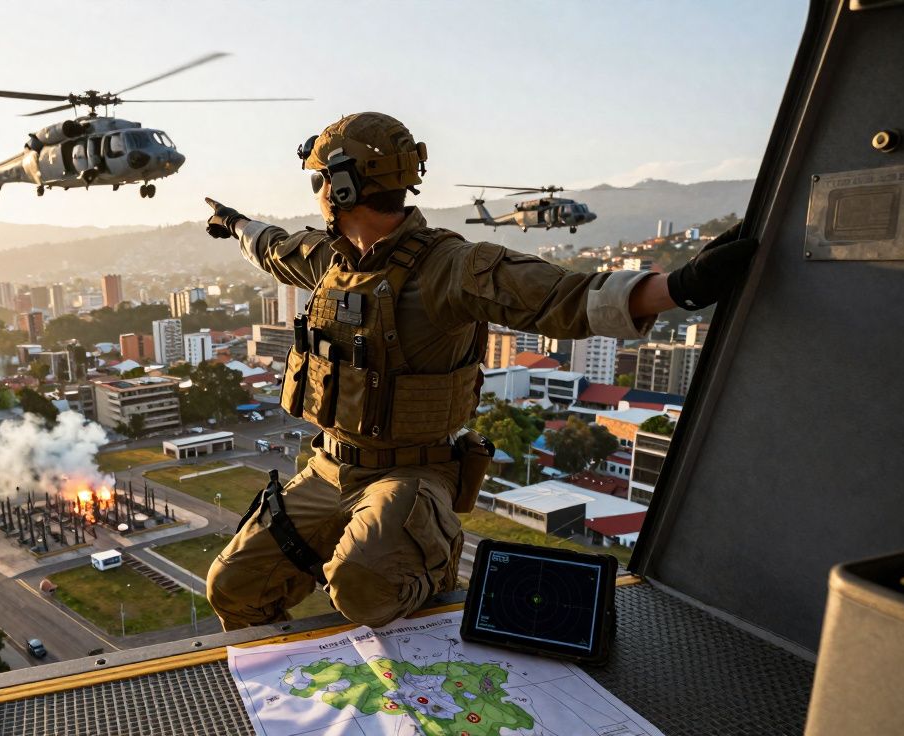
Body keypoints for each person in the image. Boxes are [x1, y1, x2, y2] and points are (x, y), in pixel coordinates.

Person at [202, 112, 756, 631]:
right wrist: (233, 223)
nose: (318, 193)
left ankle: (432, 563)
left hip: (412, 474)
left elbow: (562, 298)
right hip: (329, 468)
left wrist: (680, 289)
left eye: (320, 180)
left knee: (363, 588)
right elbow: (272, 246)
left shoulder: (452, 266)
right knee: (232, 586)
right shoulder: (331, 259)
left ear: (343, 187)